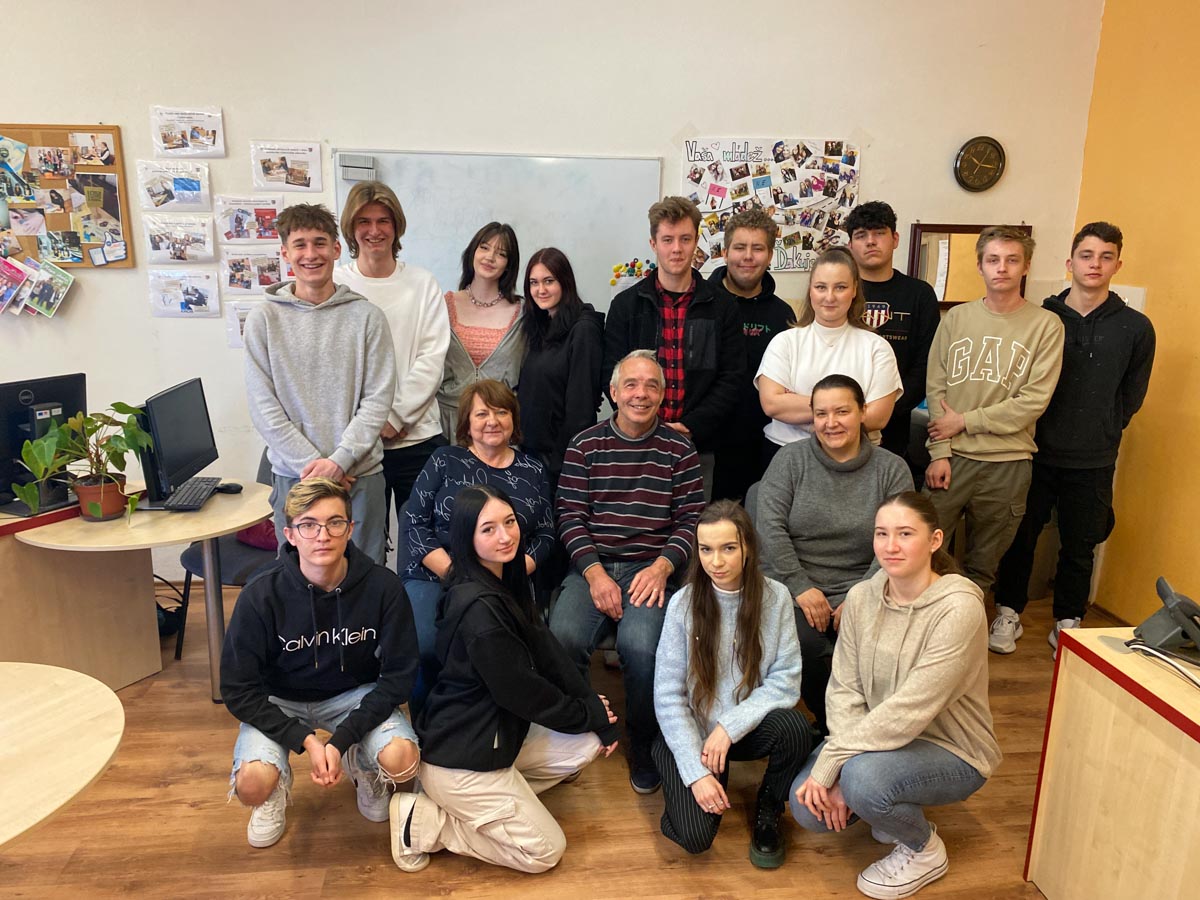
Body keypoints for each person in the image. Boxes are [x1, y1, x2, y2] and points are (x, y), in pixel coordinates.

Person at [389, 485, 620, 874]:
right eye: (488, 529)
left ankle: (494, 804)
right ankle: (426, 821)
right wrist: (585, 711)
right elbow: (524, 693)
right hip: (463, 759)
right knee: (545, 852)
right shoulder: (481, 611)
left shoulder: (502, 581)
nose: (505, 536)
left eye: (509, 522)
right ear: (467, 537)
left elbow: (546, 649)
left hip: (495, 736)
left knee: (588, 740)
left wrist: (591, 708)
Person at [790, 492, 1001, 900]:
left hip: (953, 749)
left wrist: (837, 762)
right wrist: (841, 762)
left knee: (861, 781)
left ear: (935, 540)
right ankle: (885, 799)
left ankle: (924, 850)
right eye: (881, 533)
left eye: (905, 534)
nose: (890, 546)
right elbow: (844, 688)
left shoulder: (958, 609)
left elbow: (911, 709)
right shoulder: (861, 598)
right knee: (807, 808)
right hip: (878, 740)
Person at [220, 478, 420, 849]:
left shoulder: (383, 587)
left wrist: (342, 740)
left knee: (402, 761)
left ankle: (362, 764)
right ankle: (273, 792)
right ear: (290, 535)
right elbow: (237, 689)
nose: (323, 535)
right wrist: (306, 742)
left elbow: (399, 677)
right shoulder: (260, 593)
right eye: (308, 525)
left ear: (351, 528)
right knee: (252, 786)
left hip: (352, 696)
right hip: (280, 699)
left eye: (334, 523)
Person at [991, 222, 1155, 654]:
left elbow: (1132, 396)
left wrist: (1104, 428)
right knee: (1020, 537)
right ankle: (1008, 612)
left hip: (1094, 458)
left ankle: (1068, 619)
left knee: (1081, 544)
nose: (1095, 264)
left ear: (1118, 264)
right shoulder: (1041, 318)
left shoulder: (1135, 327)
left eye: (1105, 256)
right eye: (1086, 255)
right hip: (1032, 450)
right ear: (1070, 263)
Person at [550, 350, 705, 794]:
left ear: (663, 395)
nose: (641, 394)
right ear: (614, 393)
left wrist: (661, 568)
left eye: (652, 385)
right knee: (563, 638)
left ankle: (642, 742)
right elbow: (569, 517)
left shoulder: (679, 449)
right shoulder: (585, 444)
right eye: (631, 385)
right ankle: (582, 728)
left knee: (642, 648)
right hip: (593, 565)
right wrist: (595, 575)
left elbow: (692, 520)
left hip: (650, 569)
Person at [654, 500, 814, 867]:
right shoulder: (682, 604)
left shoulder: (775, 597)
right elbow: (667, 695)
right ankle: (678, 772)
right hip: (693, 732)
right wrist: (695, 773)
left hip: (740, 730)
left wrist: (729, 727)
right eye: (706, 549)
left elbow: (786, 679)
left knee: (795, 729)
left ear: (748, 548)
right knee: (694, 838)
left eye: (728, 548)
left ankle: (769, 805)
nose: (716, 562)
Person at [756, 374, 912, 734]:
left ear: (863, 412)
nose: (831, 423)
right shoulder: (790, 461)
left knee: (874, 649)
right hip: (795, 585)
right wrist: (800, 586)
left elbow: (898, 540)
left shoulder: (891, 469)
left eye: (842, 411)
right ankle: (836, 730)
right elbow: (769, 528)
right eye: (821, 413)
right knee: (806, 647)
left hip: (867, 584)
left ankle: (864, 729)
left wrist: (862, 594)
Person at [243, 203, 396, 564]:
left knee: (364, 576)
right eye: (300, 245)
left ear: (336, 249)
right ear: (285, 253)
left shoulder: (368, 317)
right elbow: (263, 407)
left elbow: (377, 401)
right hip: (294, 477)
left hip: (359, 477)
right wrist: (318, 468)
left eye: (320, 243)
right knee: (299, 578)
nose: (311, 254)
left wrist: (340, 462)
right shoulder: (263, 319)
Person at [924, 226, 1064, 599]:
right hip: (952, 459)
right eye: (993, 260)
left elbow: (1033, 402)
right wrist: (939, 452)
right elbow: (936, 387)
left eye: (1012, 260)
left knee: (983, 564)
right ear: (980, 266)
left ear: (1026, 266)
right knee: (924, 554)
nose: (1002, 268)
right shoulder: (956, 319)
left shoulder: (1046, 326)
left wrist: (965, 421)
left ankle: (968, 625)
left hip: (1008, 463)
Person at [402, 379, 554, 713]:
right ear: (466, 423)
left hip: (505, 579)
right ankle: (427, 724)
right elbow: (413, 522)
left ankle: (491, 723)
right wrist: (459, 575)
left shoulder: (533, 469)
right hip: (436, 573)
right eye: (482, 414)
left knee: (505, 647)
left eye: (501, 412)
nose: (492, 421)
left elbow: (545, 535)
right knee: (426, 645)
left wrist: (513, 572)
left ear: (513, 419)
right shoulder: (444, 460)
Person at [603, 196, 746, 497]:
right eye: (667, 240)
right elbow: (610, 374)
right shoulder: (626, 306)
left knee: (693, 523)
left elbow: (731, 377)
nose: (677, 249)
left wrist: (692, 426)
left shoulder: (722, 306)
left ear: (696, 242)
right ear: (653, 244)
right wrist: (643, 422)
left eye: (685, 239)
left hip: (697, 446)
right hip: (634, 443)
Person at [334, 182, 450, 551]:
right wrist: (368, 424)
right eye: (364, 221)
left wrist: (396, 416)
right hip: (355, 443)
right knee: (360, 548)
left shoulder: (422, 283)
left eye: (383, 220)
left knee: (426, 546)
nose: (374, 230)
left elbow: (432, 356)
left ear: (396, 226)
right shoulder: (336, 284)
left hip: (416, 438)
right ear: (350, 228)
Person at [756, 246, 901, 464]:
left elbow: (877, 417)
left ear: (854, 290)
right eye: (821, 287)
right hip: (787, 454)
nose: (830, 297)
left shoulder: (877, 348)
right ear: (811, 290)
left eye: (840, 287)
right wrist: (849, 409)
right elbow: (772, 404)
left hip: (857, 460)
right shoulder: (784, 343)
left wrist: (799, 404)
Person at [706, 208, 795, 502]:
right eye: (739, 247)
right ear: (724, 252)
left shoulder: (783, 314)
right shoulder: (701, 303)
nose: (747, 256)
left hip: (763, 443)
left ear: (770, 256)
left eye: (757, 248)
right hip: (707, 445)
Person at [844, 201, 940, 471]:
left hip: (896, 424)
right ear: (850, 245)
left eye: (879, 233)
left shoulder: (919, 294)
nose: (870, 241)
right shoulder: (838, 290)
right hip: (839, 420)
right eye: (861, 235)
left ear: (895, 239)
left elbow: (927, 363)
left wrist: (885, 411)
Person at [516, 247, 605, 491]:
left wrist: (559, 463)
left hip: (560, 461)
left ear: (565, 282)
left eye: (549, 281)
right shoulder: (540, 326)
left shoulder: (584, 329)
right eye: (534, 282)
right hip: (530, 453)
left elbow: (581, 409)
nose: (540, 290)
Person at [438, 222, 526, 442]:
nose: (490, 257)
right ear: (472, 253)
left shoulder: (523, 312)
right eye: (484, 248)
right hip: (448, 422)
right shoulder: (442, 305)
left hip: (499, 428)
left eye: (501, 253)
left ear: (509, 265)